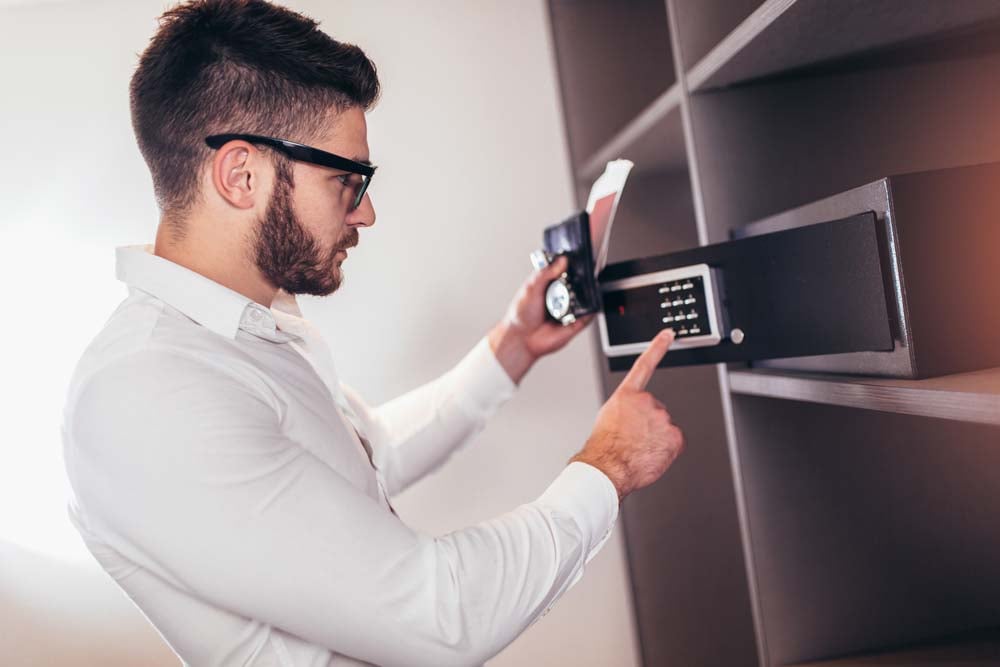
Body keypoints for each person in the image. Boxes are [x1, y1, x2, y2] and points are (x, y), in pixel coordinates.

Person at [60, 1, 685, 665]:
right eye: (346, 180)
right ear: (241, 175)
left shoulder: (240, 332)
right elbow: (439, 616)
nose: (367, 214)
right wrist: (608, 465)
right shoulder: (148, 391)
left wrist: (512, 347)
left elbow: (366, 456)